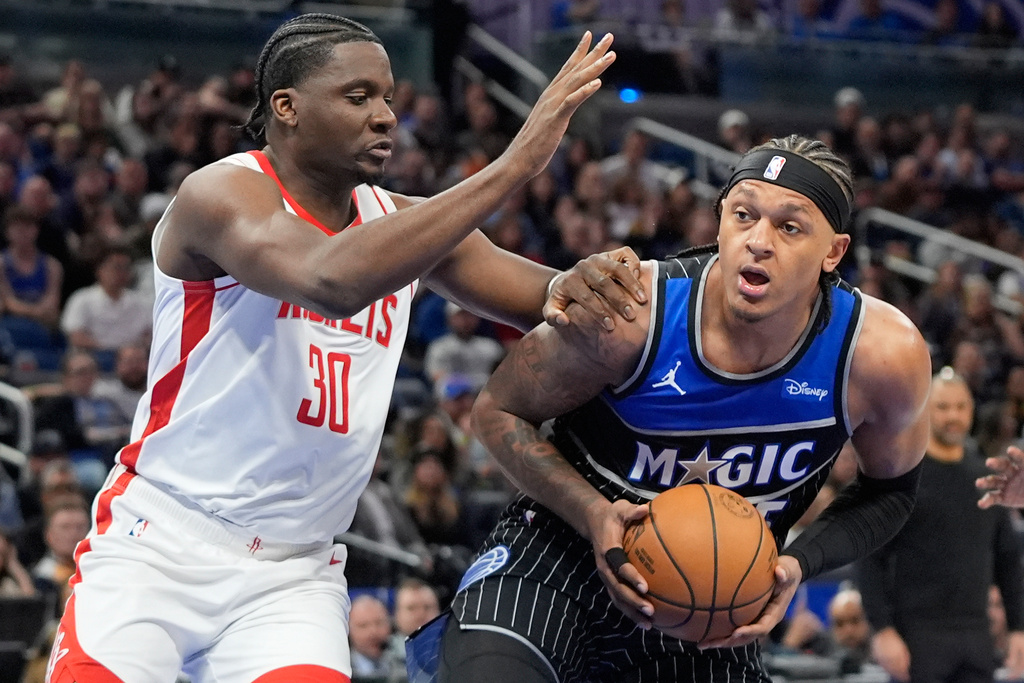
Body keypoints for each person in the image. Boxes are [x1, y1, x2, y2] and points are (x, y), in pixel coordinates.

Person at [48, 14, 643, 683]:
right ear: (287, 108)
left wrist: (583, 282)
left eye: (389, 96)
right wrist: (514, 166)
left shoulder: (401, 223)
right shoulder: (218, 193)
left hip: (292, 576)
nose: (386, 115)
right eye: (358, 97)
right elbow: (330, 279)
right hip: (160, 545)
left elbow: (544, 295)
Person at [425, 135, 932, 682]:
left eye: (789, 227)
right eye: (743, 215)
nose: (758, 242)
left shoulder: (880, 353)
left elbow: (892, 490)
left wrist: (797, 563)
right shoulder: (633, 310)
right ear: (719, 223)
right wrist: (594, 514)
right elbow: (498, 411)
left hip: (709, 613)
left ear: (833, 251)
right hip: (558, 560)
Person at [860, 368, 1024, 682]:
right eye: (943, 407)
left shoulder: (985, 478)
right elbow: (871, 557)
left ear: (971, 411)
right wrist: (881, 629)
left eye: (961, 407)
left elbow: (1008, 561)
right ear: (924, 410)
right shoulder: (902, 476)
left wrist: (1018, 627)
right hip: (917, 637)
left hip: (977, 635)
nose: (954, 416)